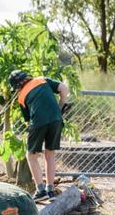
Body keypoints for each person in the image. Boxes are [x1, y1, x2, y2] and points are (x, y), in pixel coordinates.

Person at [8, 70, 70, 200]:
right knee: (50, 153)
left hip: (38, 122)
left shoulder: (21, 97)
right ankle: (50, 190)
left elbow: (29, 118)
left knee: (31, 155)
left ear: (17, 87)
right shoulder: (42, 79)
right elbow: (64, 89)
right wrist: (60, 107)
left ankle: (41, 191)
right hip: (56, 120)